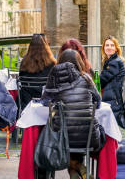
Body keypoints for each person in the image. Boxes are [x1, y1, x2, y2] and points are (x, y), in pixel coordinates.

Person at [41, 49, 105, 179]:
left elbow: (45, 101)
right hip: (89, 138)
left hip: (61, 138)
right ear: (79, 62)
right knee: (82, 133)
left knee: (62, 133)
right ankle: (78, 168)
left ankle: (74, 168)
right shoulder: (87, 79)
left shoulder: (54, 78)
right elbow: (98, 103)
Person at [18, 33, 57, 111]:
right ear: (46, 45)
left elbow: (21, 80)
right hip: (46, 102)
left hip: (27, 102)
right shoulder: (52, 63)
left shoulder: (24, 62)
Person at [100, 35, 125, 117]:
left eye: (112, 45)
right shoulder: (111, 61)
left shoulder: (114, 62)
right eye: (107, 45)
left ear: (116, 48)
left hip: (112, 99)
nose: (109, 47)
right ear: (104, 48)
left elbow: (102, 80)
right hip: (112, 97)